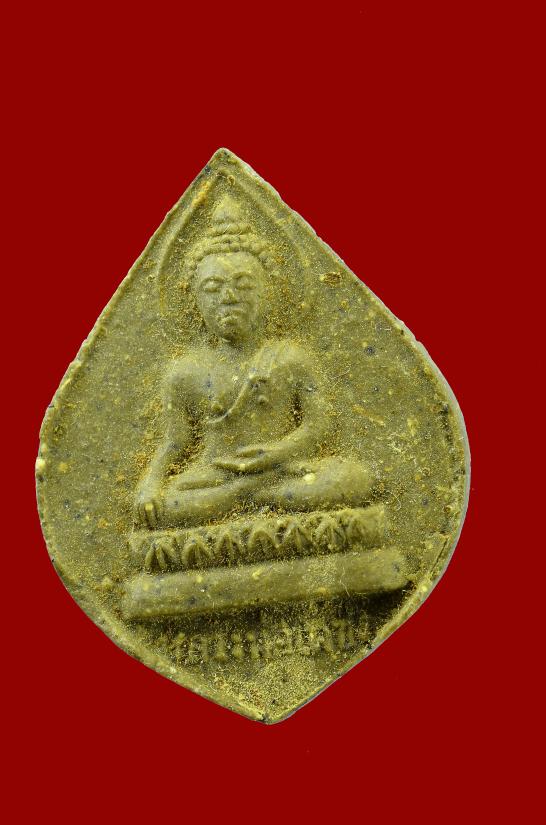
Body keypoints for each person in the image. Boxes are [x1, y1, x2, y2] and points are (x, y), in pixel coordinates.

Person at [135, 197, 372, 529]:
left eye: (243, 284)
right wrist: (151, 482)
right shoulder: (184, 373)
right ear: (194, 301)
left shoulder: (290, 358)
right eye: (212, 288)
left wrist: (275, 454)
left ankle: (248, 493)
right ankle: (248, 494)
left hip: (280, 469)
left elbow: (318, 426)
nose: (228, 297)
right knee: (166, 504)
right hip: (214, 475)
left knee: (354, 478)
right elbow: (176, 442)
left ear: (268, 292)